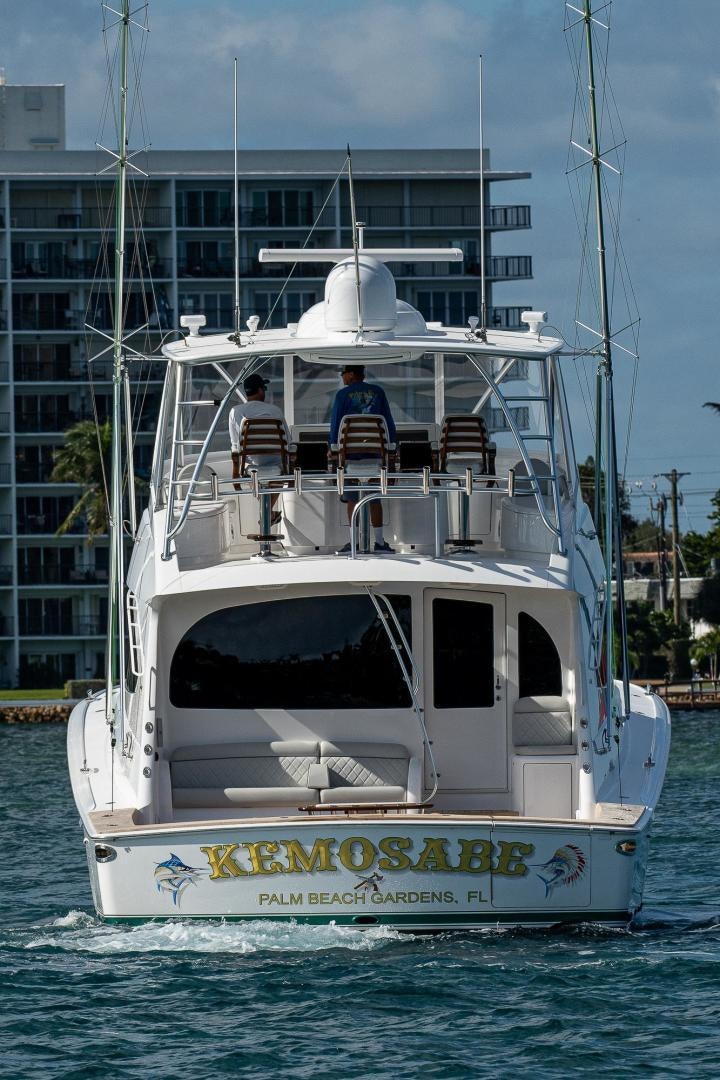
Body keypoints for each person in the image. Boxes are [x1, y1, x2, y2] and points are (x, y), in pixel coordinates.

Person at [329, 364, 396, 553]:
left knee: (351, 498)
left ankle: (354, 542)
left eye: (343, 373)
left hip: (350, 458)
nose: (342, 377)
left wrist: (332, 447)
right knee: (374, 498)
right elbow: (388, 422)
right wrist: (392, 449)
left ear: (351, 374)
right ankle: (380, 542)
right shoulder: (378, 392)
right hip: (375, 456)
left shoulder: (342, 395)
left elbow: (335, 425)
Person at [229, 373, 290, 524]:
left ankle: (267, 514)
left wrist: (236, 473)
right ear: (261, 390)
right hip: (275, 464)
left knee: (253, 469)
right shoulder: (275, 411)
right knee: (279, 469)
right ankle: (267, 514)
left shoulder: (235, 411)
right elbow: (288, 442)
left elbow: (235, 446)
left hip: (251, 465)